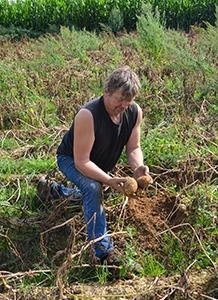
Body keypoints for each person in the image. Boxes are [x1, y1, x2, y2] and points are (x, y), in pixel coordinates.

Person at [37, 66, 150, 266]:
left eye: (129, 100)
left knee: (95, 194)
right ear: (106, 91)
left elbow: (133, 147)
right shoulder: (87, 115)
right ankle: (103, 253)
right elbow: (82, 161)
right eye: (119, 99)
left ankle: (54, 192)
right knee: (92, 188)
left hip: (96, 162)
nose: (124, 105)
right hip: (72, 160)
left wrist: (139, 168)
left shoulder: (134, 112)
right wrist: (107, 179)